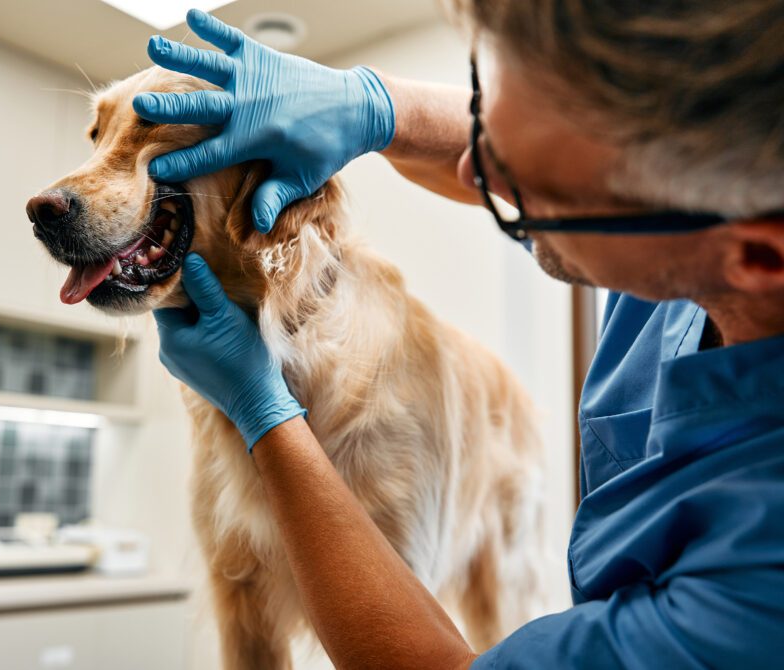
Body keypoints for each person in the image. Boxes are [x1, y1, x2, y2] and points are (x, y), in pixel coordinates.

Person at [134, 3, 784, 668]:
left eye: (536, 189)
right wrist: (375, 107)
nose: (473, 176)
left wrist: (265, 415)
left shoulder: (759, 589)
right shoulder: (692, 245)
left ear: (754, 259)